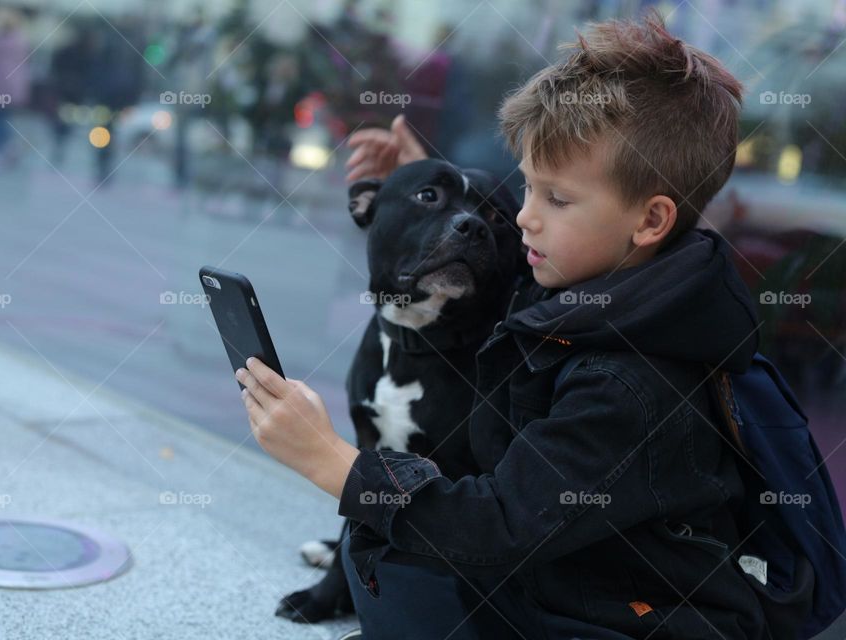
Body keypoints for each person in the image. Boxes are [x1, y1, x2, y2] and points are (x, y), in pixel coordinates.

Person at [235, 12, 769, 639]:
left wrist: (329, 459)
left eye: (556, 199)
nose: (522, 219)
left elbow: (499, 525)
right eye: (525, 191)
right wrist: (423, 190)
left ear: (650, 221)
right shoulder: (600, 294)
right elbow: (497, 276)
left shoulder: (629, 382)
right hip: (548, 594)